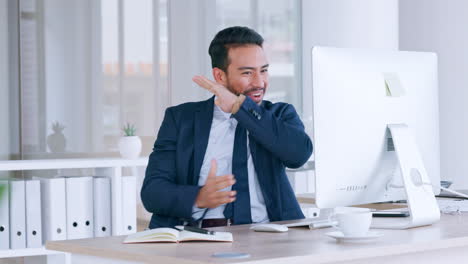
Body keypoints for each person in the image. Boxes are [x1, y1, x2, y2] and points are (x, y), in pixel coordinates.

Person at [141, 26, 313, 229]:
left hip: (269, 233)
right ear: (220, 76)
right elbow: (153, 192)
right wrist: (198, 198)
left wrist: (240, 108)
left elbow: (299, 155)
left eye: (264, 71)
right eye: (247, 73)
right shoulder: (181, 119)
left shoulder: (278, 115)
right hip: (198, 236)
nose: (260, 82)